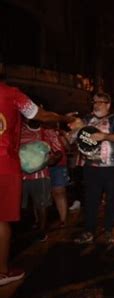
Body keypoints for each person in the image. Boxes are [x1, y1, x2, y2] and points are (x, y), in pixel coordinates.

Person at [0, 80, 75, 285]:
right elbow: (40, 114)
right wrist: (63, 117)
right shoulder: (10, 93)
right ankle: (2, 272)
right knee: (1, 220)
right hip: (3, 164)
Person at [70, 92, 114, 244]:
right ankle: (89, 231)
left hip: (112, 167)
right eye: (94, 102)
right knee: (91, 200)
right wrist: (72, 127)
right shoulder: (87, 119)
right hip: (91, 166)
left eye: (100, 102)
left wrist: (104, 136)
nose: (96, 104)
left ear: (108, 104)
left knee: (111, 200)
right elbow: (75, 134)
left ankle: (108, 230)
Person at [20, 119, 62, 242]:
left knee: (41, 203)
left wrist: (53, 159)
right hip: (20, 175)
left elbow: (58, 150)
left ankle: (42, 230)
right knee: (20, 205)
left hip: (41, 175)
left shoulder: (47, 132)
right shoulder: (19, 130)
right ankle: (28, 227)